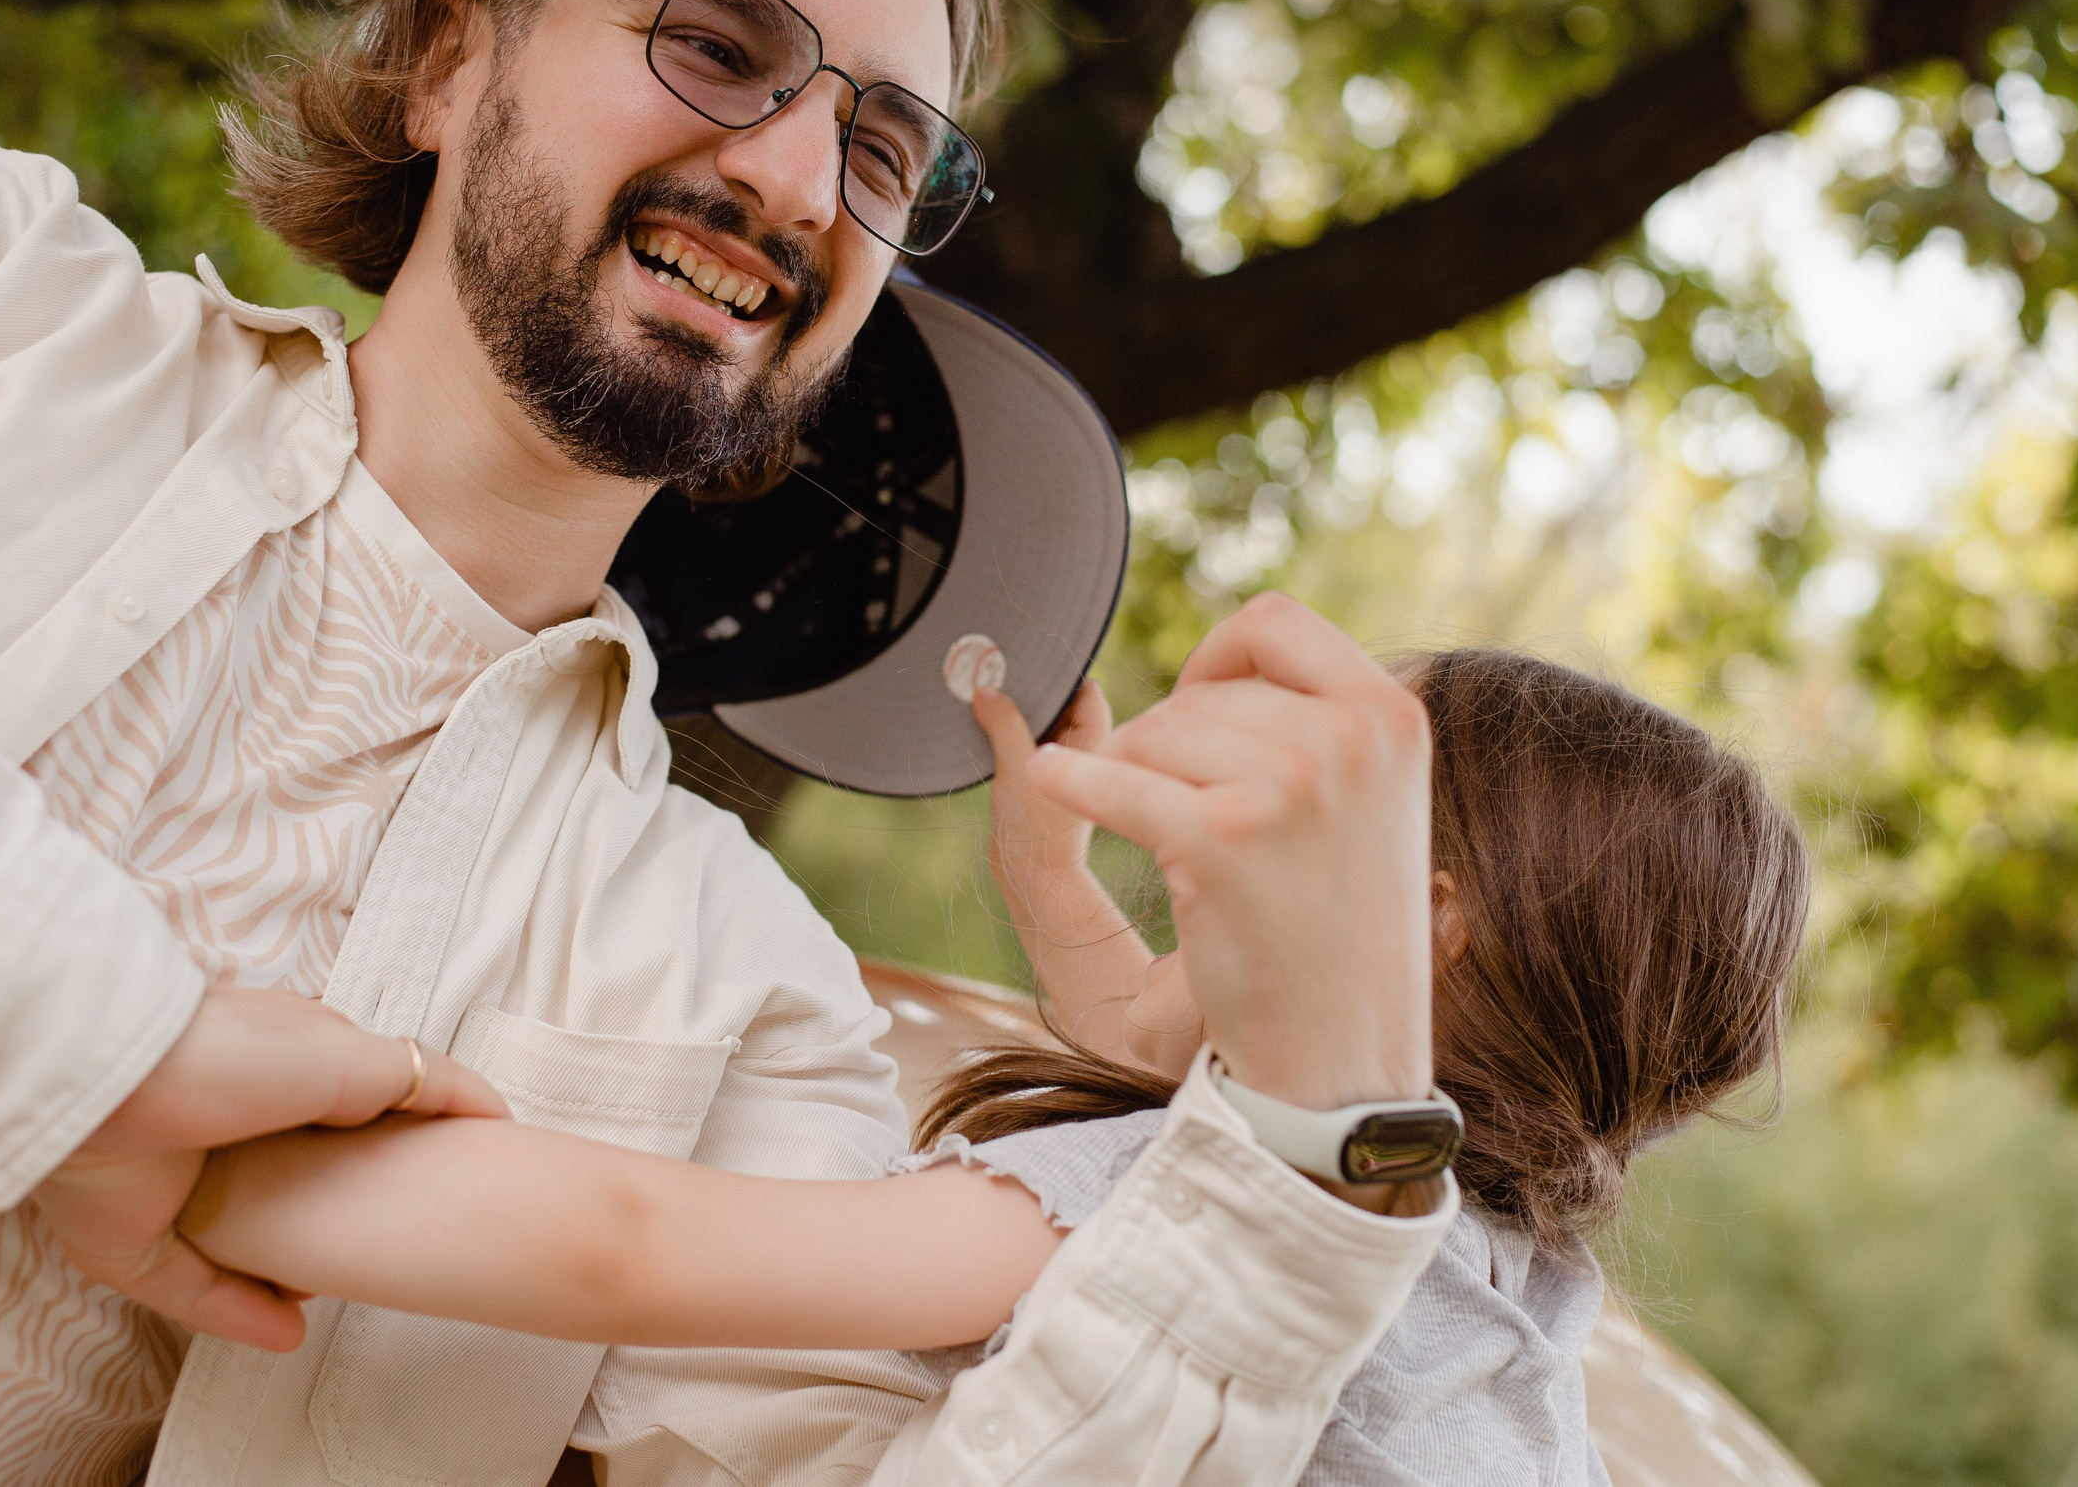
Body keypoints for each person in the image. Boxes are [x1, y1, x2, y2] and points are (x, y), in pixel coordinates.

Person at [0, 0, 1463, 1484]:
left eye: (879, 150)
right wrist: (91, 1044)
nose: (798, 177)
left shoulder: (741, 990)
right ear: (447, 56)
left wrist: (1315, 1146)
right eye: (716, 42)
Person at [169, 619, 1809, 1485]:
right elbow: (1154, 1048)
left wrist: (163, 1138)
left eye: (1320, 785)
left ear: (1418, 923)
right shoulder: (1495, 1273)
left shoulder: (1172, 1202)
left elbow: (633, 1247)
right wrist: (1052, 884)